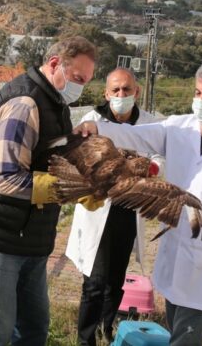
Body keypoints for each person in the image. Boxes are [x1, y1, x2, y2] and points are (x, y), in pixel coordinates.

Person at [73, 61, 202, 345]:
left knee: (185, 338)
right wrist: (96, 127)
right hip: (175, 253)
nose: (200, 101)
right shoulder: (177, 128)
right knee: (176, 327)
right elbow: (135, 135)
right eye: (197, 93)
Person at [0, 36, 96, 345]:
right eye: (78, 79)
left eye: (86, 81)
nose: (80, 87)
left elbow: (43, 154)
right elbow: (6, 179)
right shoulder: (25, 103)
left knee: (33, 328)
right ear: (56, 64)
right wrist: (69, 189)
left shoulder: (55, 103)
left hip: (27, 238)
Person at [65, 67, 164, 346]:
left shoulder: (151, 123)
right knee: (94, 283)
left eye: (127, 90)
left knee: (115, 280)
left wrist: (150, 169)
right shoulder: (91, 121)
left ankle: (106, 332)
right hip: (97, 208)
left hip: (128, 209)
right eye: (116, 90)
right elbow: (76, 157)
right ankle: (86, 340)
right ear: (106, 93)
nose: (122, 95)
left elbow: (160, 157)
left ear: (137, 92)